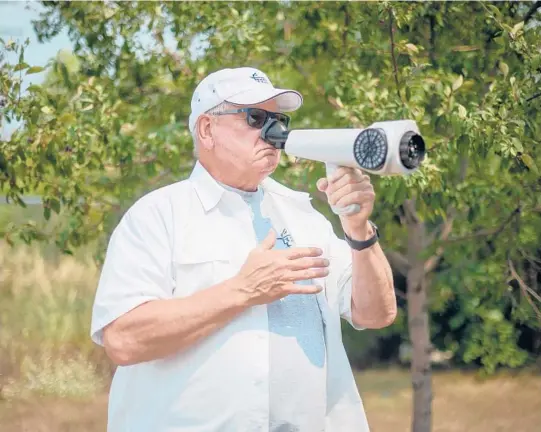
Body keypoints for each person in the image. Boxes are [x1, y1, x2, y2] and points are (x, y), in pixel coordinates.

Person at [90, 66, 397, 432]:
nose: (274, 132)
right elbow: (123, 339)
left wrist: (359, 230)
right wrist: (242, 291)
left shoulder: (305, 218)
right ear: (207, 129)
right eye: (256, 118)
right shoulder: (158, 216)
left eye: (278, 119)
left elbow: (376, 313)